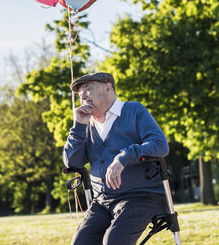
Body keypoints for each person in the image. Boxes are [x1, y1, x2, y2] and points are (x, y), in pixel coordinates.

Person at [63, 72, 169, 245]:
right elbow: (72, 162)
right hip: (103, 200)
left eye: (88, 89)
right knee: (80, 243)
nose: (82, 95)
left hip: (141, 196)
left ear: (107, 87)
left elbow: (160, 144)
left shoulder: (134, 110)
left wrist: (124, 158)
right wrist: (78, 126)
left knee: (114, 242)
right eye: (80, 93)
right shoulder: (86, 125)